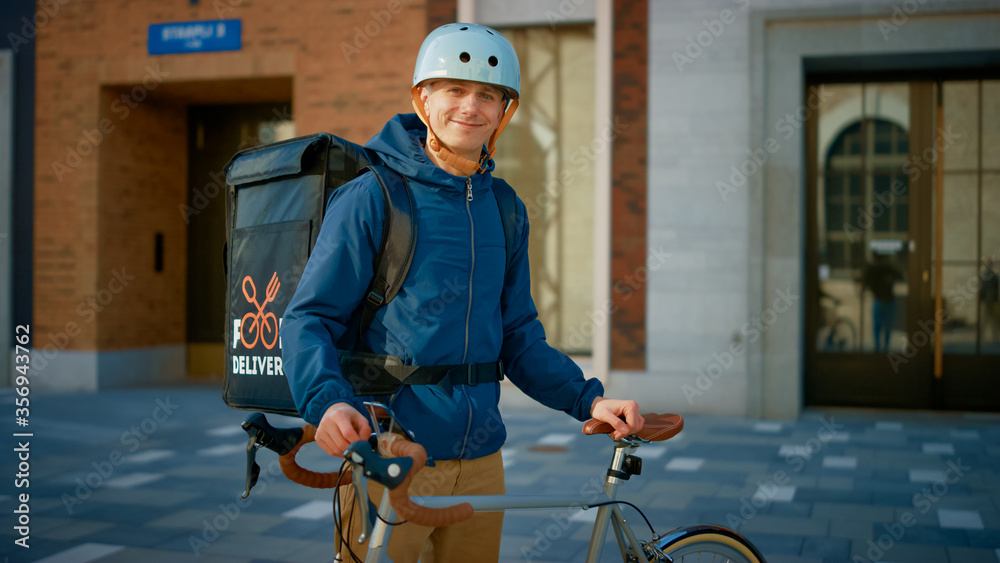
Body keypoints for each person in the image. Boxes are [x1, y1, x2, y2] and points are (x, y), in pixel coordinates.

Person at [280, 23, 642, 562]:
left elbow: (518, 338)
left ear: (504, 112)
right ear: (422, 99)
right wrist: (328, 404)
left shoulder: (504, 207)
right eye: (454, 89)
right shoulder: (373, 197)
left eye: (488, 95)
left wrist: (588, 397)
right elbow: (308, 318)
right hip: (394, 453)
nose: (471, 107)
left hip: (482, 461)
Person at [860, 252, 903, 351]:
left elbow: (865, 283)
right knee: (883, 326)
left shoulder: (879, 269)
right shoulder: (883, 268)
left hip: (882, 301)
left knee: (879, 326)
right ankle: (881, 347)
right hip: (884, 301)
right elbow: (900, 275)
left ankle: (879, 347)